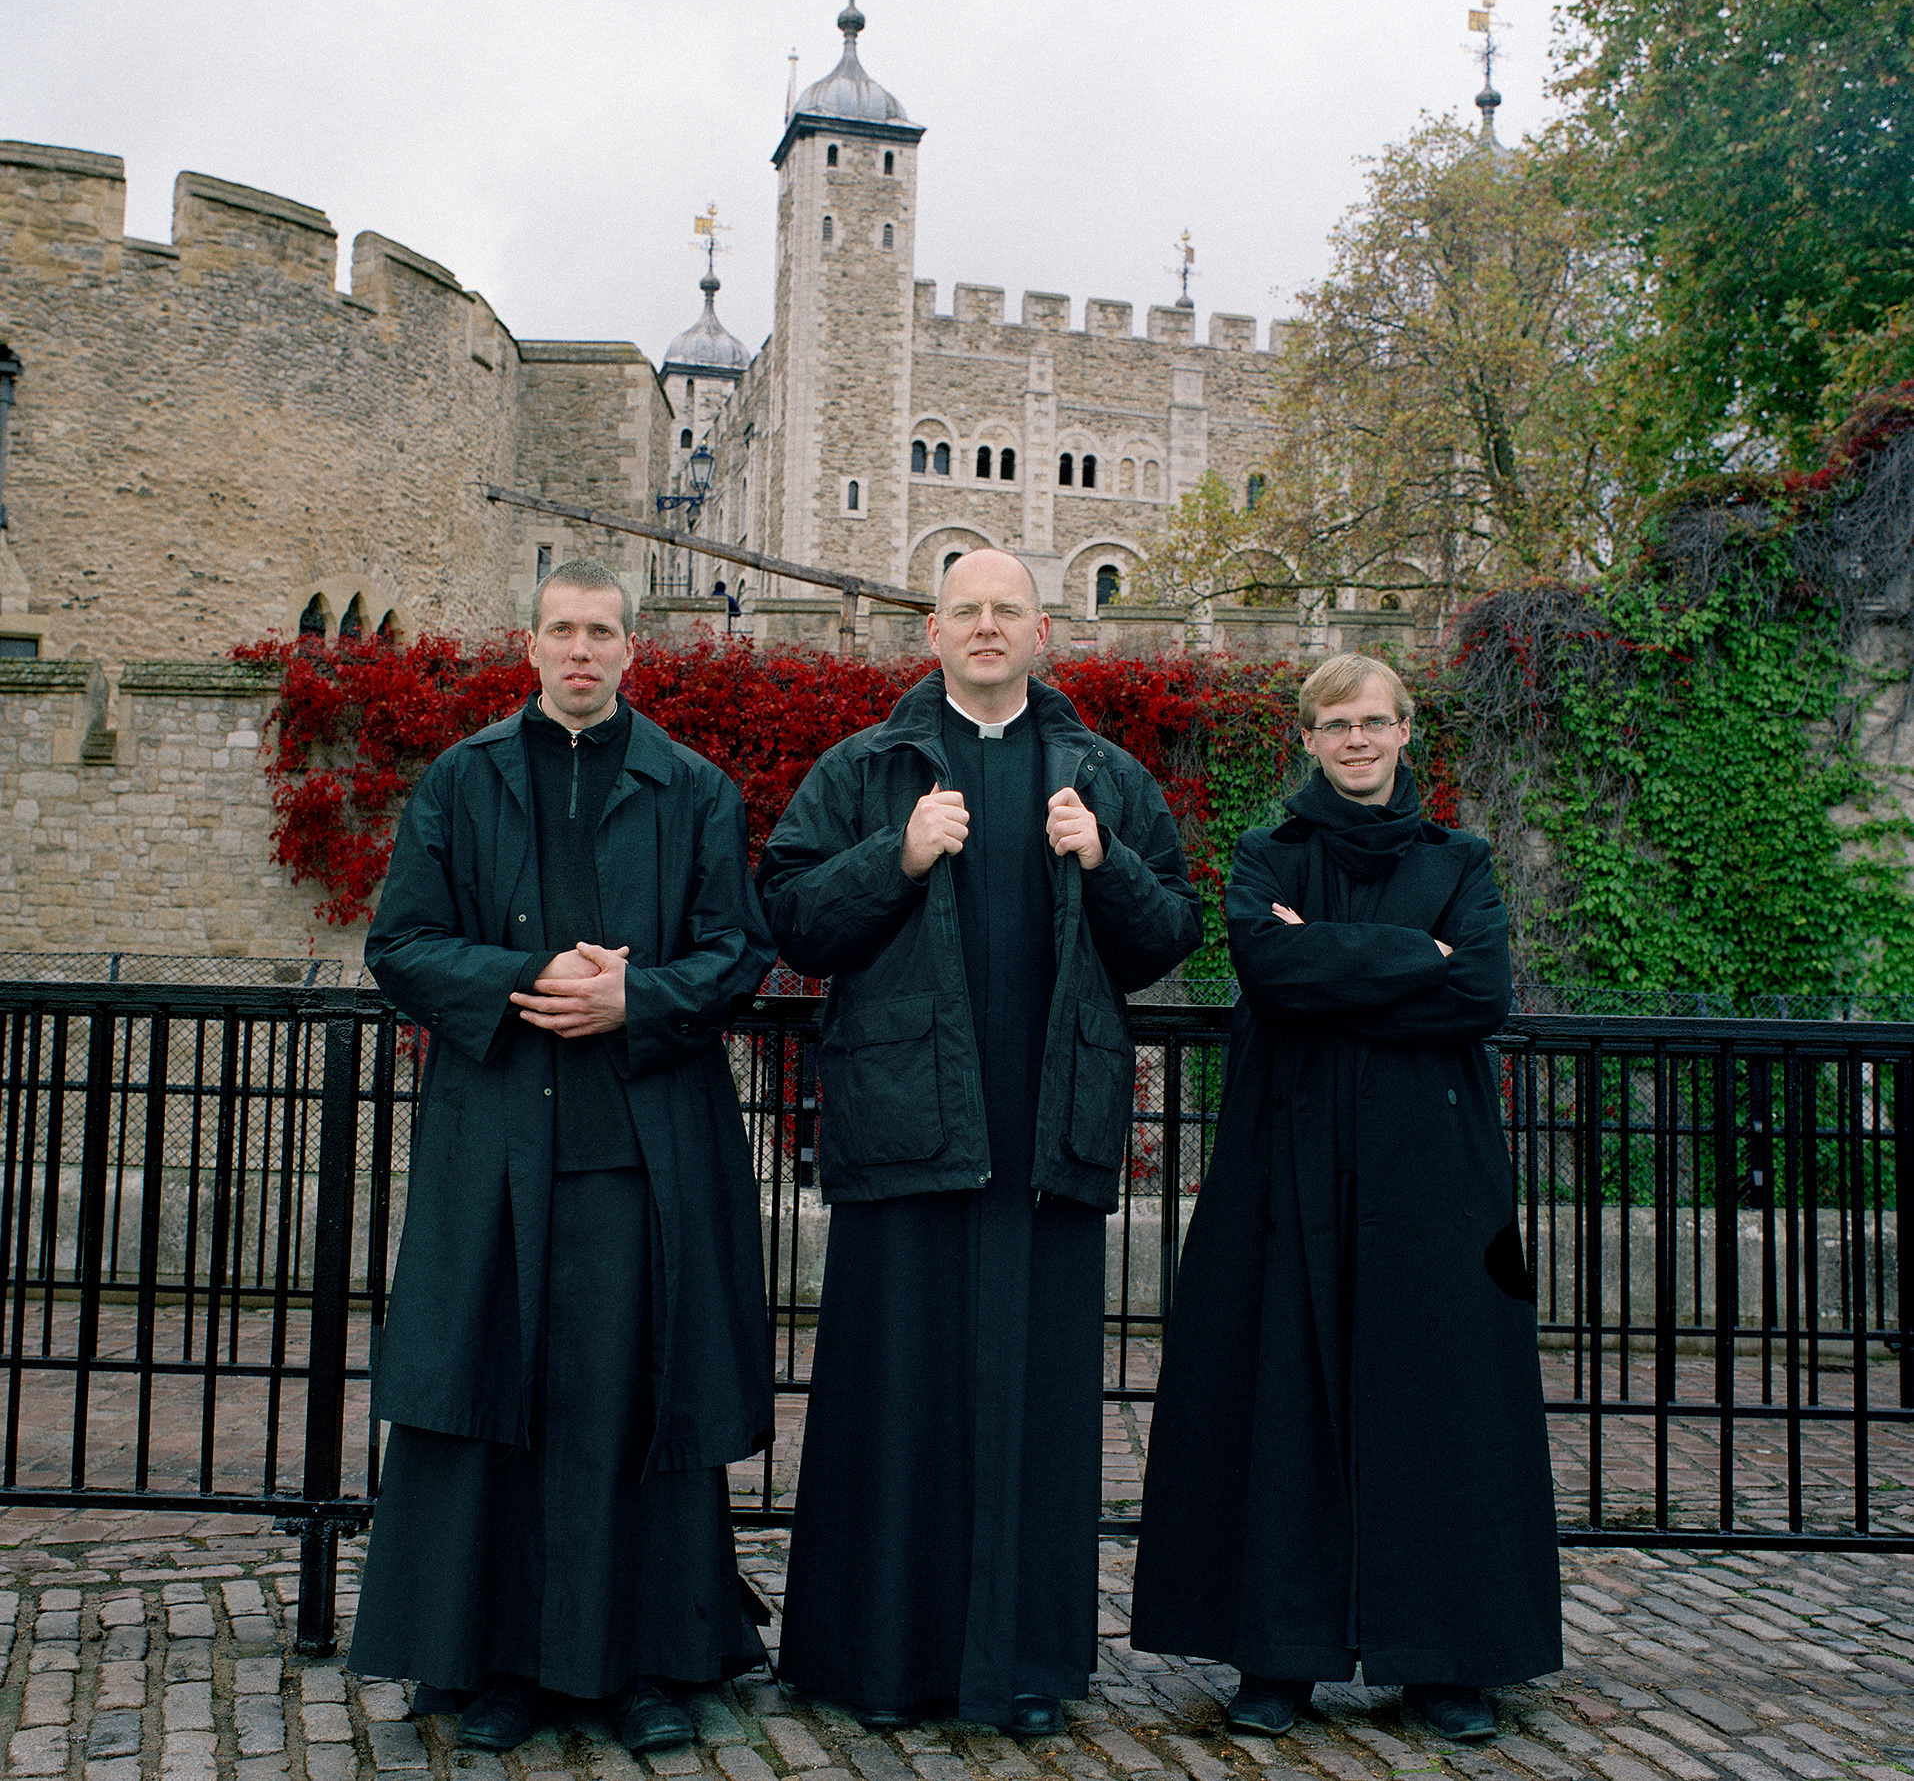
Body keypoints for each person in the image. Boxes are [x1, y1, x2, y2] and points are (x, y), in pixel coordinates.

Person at [757, 548, 1202, 1736]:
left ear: (1045, 631)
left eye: (1008, 610)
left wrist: (1103, 863)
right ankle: (878, 1665)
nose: (988, 628)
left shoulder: (1105, 777)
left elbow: (1169, 936)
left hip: (1046, 1140)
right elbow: (793, 915)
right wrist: (896, 857)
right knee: (895, 1400)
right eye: (967, 611)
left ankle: (1024, 1672)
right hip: (908, 1132)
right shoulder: (866, 770)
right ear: (935, 633)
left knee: (1036, 1412)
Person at [347, 558, 777, 1755]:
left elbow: (736, 954)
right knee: (505, 1407)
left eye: (601, 632)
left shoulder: (693, 791)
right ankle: (501, 1668)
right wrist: (529, 977)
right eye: (561, 631)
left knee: (626, 1408)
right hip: (498, 1155)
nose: (580, 651)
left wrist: (635, 1000)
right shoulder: (463, 781)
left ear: (634, 650)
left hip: (644, 1157)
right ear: (530, 646)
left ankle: (643, 1665)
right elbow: (405, 944)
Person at [1130, 651, 1560, 1744]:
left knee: (1442, 1402)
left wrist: (1339, 961)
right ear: (1310, 739)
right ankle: (1280, 1656)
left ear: (1406, 730)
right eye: (1337, 724)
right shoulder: (1270, 851)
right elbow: (1274, 974)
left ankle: (1446, 1658)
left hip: (1435, 1171)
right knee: (1282, 1395)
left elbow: (1479, 990)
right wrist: (1414, 953)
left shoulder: (1461, 856)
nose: (1358, 740)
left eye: (1376, 721)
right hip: (1291, 1160)